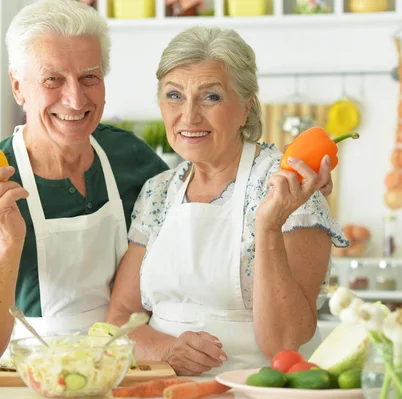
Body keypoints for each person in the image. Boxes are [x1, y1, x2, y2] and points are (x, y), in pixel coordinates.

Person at [106, 26, 349, 376]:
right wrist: (167, 349)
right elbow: (119, 320)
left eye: (211, 97)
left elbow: (285, 343)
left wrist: (267, 227)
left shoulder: (289, 187)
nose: (189, 116)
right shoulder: (158, 192)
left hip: (257, 388)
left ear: (245, 107)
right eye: (174, 96)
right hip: (166, 388)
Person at [0, 0, 169, 361]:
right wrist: (7, 238)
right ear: (18, 86)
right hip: (31, 373)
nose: (75, 98)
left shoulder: (129, 156)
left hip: (128, 368)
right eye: (53, 79)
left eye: (90, 77)